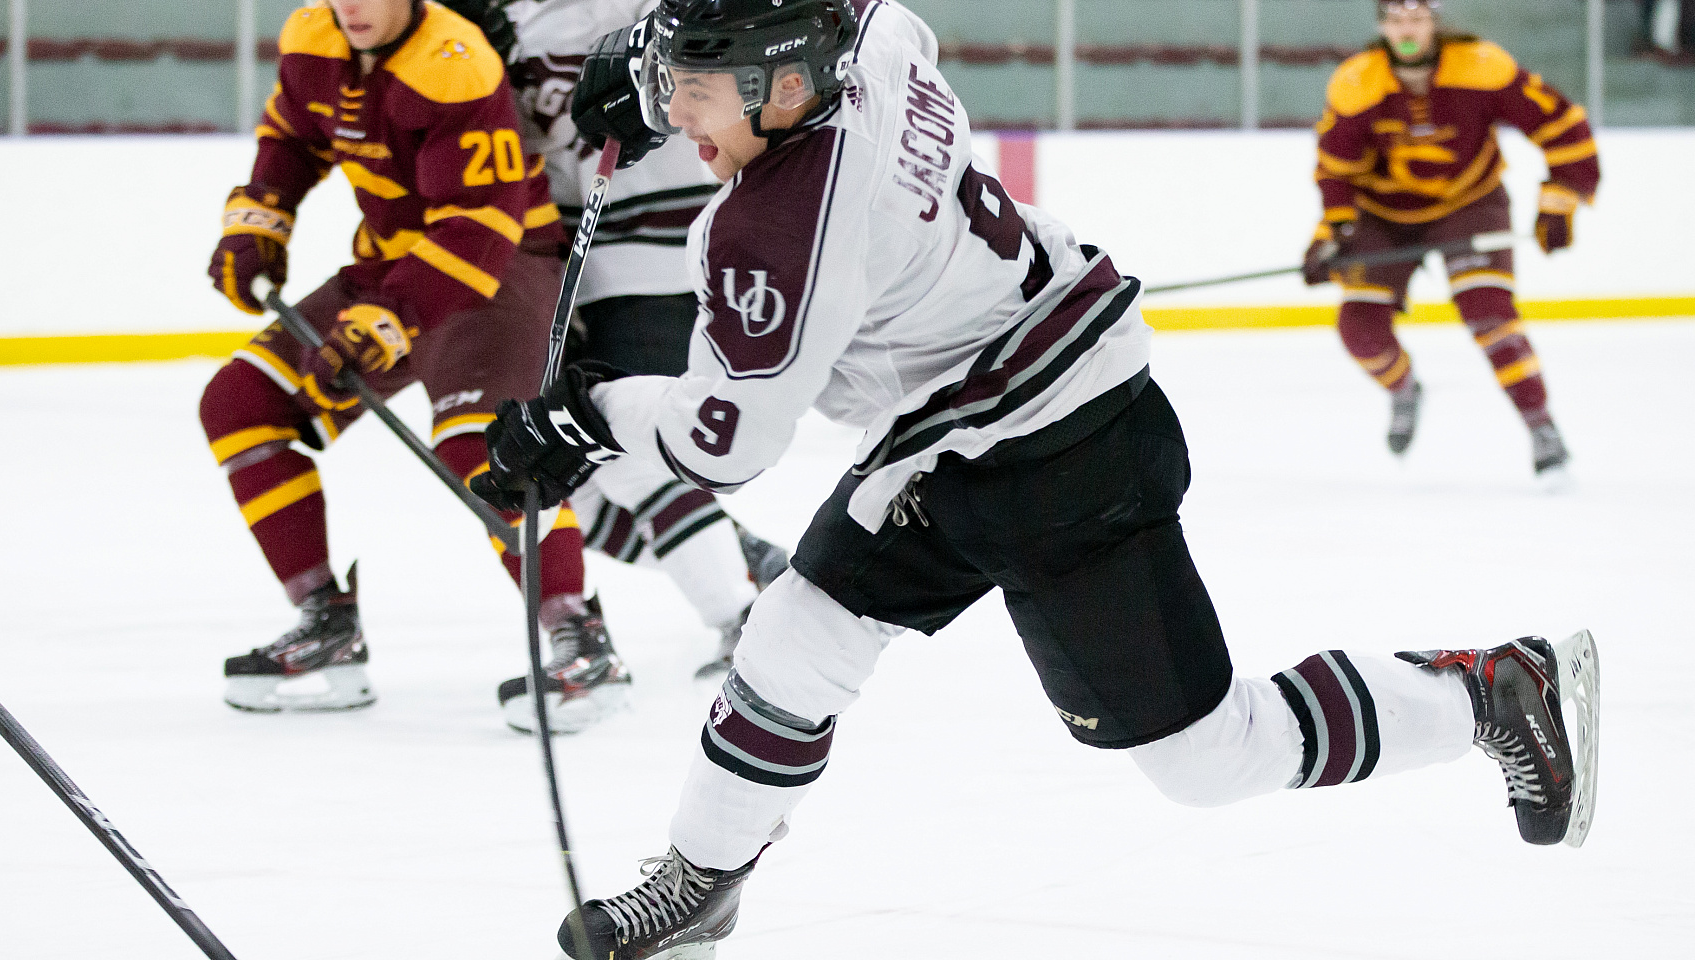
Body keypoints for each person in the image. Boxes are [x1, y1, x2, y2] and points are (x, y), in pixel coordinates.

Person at [469, 2, 1601, 957]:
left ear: (778, 88)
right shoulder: (870, 38)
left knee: (1211, 758)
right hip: (957, 420)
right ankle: (704, 880)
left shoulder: (772, 232)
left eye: (694, 94)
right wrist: (663, 68)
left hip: (1064, 445)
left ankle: (1496, 691)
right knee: (793, 640)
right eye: (670, 84)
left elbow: (724, 443)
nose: (673, 115)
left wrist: (581, 417)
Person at [199, 0, 628, 724]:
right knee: (242, 403)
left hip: (499, 271)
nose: (352, 6)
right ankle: (326, 622)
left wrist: (392, 317)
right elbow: (292, 140)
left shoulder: (453, 63)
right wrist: (260, 222)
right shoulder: (313, 36)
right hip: (393, 268)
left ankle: (577, 634)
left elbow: (478, 224)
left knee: (481, 449)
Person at [453, 0, 789, 727]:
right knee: (584, 482)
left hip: (653, 256)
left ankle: (747, 622)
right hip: (571, 263)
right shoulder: (499, 18)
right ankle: (744, 560)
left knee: (627, 454)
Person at [1302, 0, 1599, 483]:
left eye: (1416, 18)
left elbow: (1560, 123)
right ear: (1382, 27)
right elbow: (1336, 169)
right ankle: (1404, 390)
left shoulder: (1481, 65)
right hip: (1384, 214)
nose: (1407, 30)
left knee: (1489, 313)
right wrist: (1332, 233)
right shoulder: (1357, 81)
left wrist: (1561, 199)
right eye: (1396, 20)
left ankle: (1541, 426)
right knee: (1358, 327)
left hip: (1469, 204)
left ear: (1433, 22)